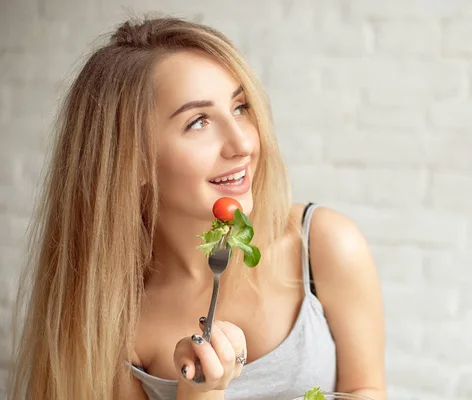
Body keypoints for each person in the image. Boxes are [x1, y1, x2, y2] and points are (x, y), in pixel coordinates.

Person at [8, 16, 386, 400]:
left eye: (240, 107)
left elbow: (366, 388)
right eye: (199, 121)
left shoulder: (323, 244)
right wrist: (197, 392)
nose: (242, 143)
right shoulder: (109, 323)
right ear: (132, 160)